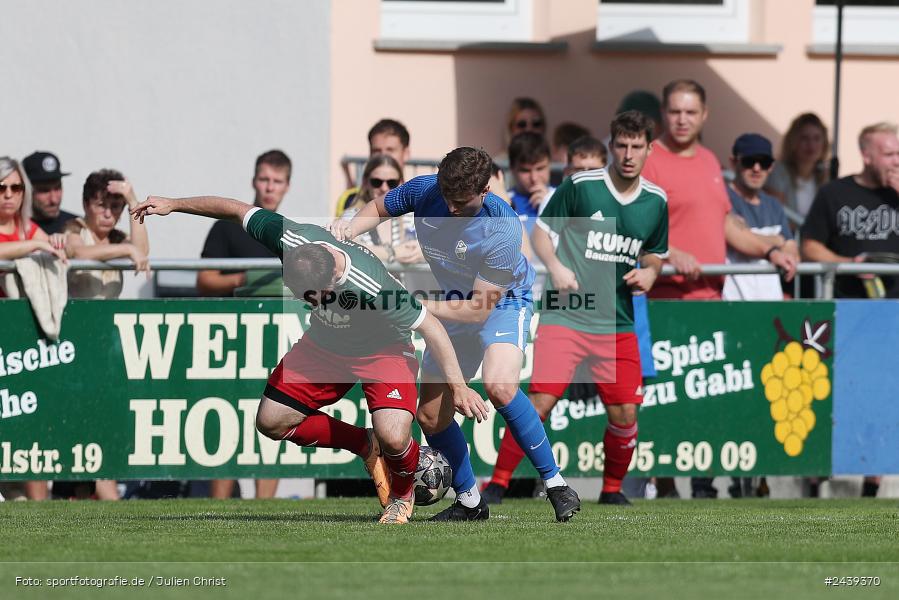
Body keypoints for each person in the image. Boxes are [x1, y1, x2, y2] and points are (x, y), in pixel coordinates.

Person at [132, 194, 487, 524]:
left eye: (314, 298)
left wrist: (458, 388)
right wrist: (174, 204)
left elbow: (433, 329)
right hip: (325, 345)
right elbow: (234, 209)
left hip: (383, 350)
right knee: (271, 421)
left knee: (395, 436)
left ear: (334, 277)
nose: (308, 303)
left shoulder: (373, 285)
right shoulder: (291, 239)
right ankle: (364, 444)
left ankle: (401, 495)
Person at [337, 147, 581, 522]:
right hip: (452, 301)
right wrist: (347, 228)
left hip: (502, 302)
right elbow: (379, 207)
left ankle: (556, 484)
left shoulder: (502, 228)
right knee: (431, 417)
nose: (451, 210)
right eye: (448, 199)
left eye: (462, 203)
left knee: (499, 386)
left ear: (485, 190)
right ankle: (470, 501)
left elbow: (479, 309)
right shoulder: (425, 189)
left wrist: (414, 304)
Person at [483, 111, 668, 506]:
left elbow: (655, 254)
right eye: (622, 145)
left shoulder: (655, 201)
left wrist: (651, 273)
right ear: (612, 146)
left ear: (650, 149)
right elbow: (541, 233)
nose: (629, 154)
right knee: (539, 403)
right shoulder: (582, 185)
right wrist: (555, 266)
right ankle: (497, 483)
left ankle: (612, 491)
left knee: (624, 415)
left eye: (637, 146)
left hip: (615, 321)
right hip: (565, 315)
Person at [642, 79, 796, 498]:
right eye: (675, 111)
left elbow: (725, 224)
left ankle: (703, 483)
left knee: (705, 396)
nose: (682, 120)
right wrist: (671, 252)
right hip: (665, 297)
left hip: (711, 298)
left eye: (691, 112)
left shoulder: (711, 161)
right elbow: (631, 225)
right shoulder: (649, 159)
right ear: (663, 114)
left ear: (704, 115)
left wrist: (770, 249)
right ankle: (666, 483)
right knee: (665, 397)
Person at [801, 122, 899, 498]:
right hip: (845, 310)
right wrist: (848, 263)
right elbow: (810, 245)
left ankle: (871, 486)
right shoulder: (835, 193)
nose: (894, 161)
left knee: (882, 397)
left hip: (891, 314)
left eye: (897, 153)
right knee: (833, 396)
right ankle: (815, 480)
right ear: (867, 155)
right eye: (888, 153)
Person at [197, 149, 291, 499]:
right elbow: (204, 281)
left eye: (277, 181)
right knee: (228, 421)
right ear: (254, 181)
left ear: (286, 186)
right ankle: (218, 507)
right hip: (231, 337)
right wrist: (248, 276)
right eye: (264, 179)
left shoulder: (285, 231)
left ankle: (266, 506)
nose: (269, 187)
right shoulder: (226, 226)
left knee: (277, 414)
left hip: (275, 336)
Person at [0, 156, 66, 501]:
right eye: (2, 188)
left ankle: (43, 523)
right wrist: (39, 245)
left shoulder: (28, 229)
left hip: (21, 347)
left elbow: (76, 250)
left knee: (32, 429)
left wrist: (129, 247)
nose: (9, 195)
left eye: (16, 187)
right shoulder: (31, 236)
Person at [723, 134, 799, 301]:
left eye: (764, 163)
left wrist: (748, 235)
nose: (757, 168)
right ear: (733, 162)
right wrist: (777, 240)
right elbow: (736, 239)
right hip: (732, 303)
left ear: (771, 167)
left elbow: (791, 249)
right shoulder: (722, 197)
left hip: (770, 305)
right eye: (749, 161)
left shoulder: (774, 205)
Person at [65, 170, 150, 298]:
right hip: (77, 316)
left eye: (115, 206)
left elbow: (141, 251)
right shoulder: (74, 228)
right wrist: (127, 249)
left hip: (109, 315)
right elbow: (79, 253)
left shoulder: (117, 237)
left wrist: (133, 202)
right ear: (86, 205)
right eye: (101, 205)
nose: (108, 214)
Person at [337, 119, 411, 216]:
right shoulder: (349, 199)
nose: (383, 156)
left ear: (406, 153)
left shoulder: (418, 198)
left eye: (390, 150)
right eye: (377, 151)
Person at [766, 113, 830, 223]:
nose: (811, 145)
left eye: (817, 138)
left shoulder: (825, 176)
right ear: (793, 142)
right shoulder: (778, 171)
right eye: (804, 138)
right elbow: (777, 217)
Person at [507, 132, 553, 234]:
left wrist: (551, 206)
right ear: (512, 169)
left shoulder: (565, 198)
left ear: (550, 164)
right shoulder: (502, 201)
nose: (534, 178)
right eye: (525, 171)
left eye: (540, 168)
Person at [22, 151, 77, 235]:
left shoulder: (77, 226)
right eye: (44, 190)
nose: (53, 200)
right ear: (27, 191)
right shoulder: (12, 227)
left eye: (57, 188)